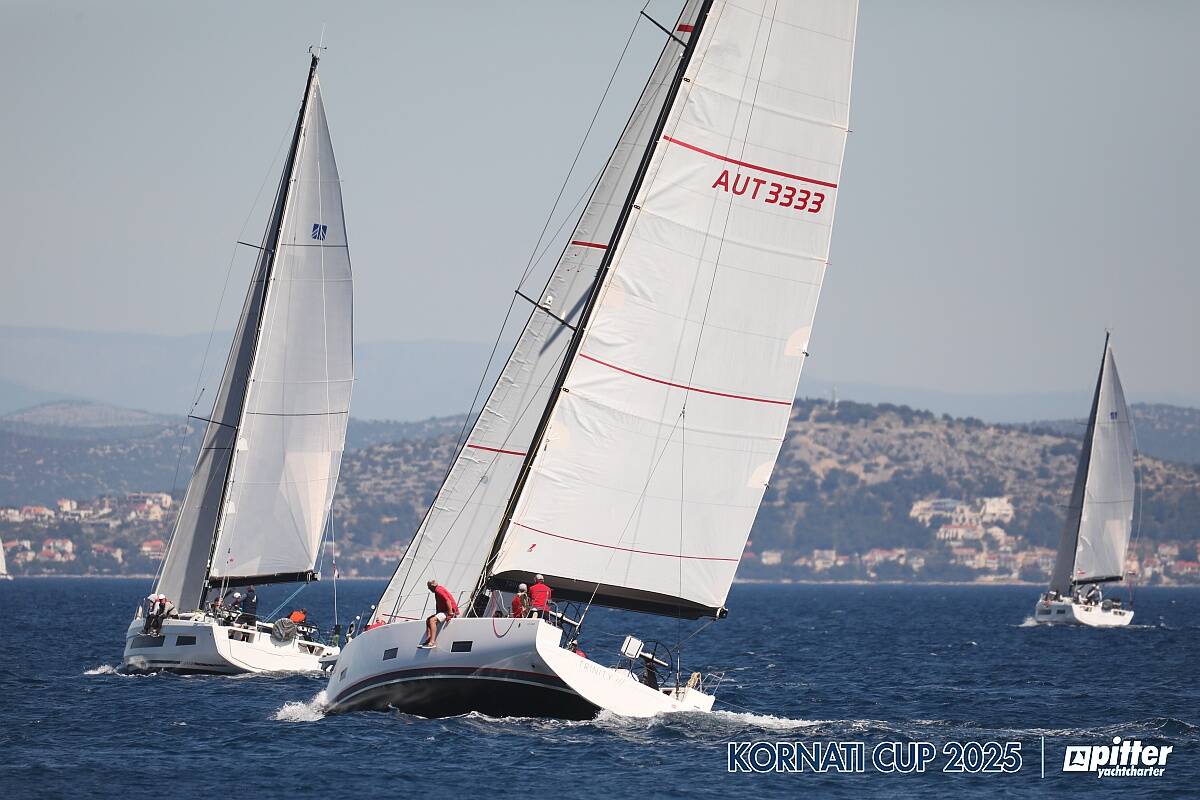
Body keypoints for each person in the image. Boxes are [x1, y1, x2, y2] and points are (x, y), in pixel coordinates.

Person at [420, 579, 459, 649]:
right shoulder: (437, 590)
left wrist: (450, 613)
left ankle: (432, 642)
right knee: (428, 619)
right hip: (445, 611)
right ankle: (428, 639)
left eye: (429, 587)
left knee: (432, 620)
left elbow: (447, 600)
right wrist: (437, 614)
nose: (428, 588)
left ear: (431, 586)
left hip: (449, 611)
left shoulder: (438, 590)